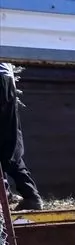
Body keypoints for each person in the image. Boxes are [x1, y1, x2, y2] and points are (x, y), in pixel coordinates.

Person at [0, 63, 42, 211]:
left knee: (9, 142)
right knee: (10, 140)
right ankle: (27, 195)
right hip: (6, 78)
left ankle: (25, 195)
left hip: (3, 79)